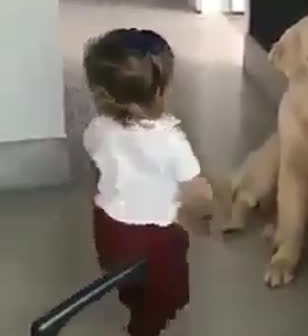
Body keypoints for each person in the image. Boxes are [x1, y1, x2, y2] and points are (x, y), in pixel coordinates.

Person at [82, 28, 213, 336]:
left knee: (127, 277)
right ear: (160, 92)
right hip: (156, 236)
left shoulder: (98, 128)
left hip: (109, 226)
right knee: (164, 287)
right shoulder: (172, 141)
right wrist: (207, 209)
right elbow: (196, 189)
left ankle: (137, 301)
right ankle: (144, 327)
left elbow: (97, 166)